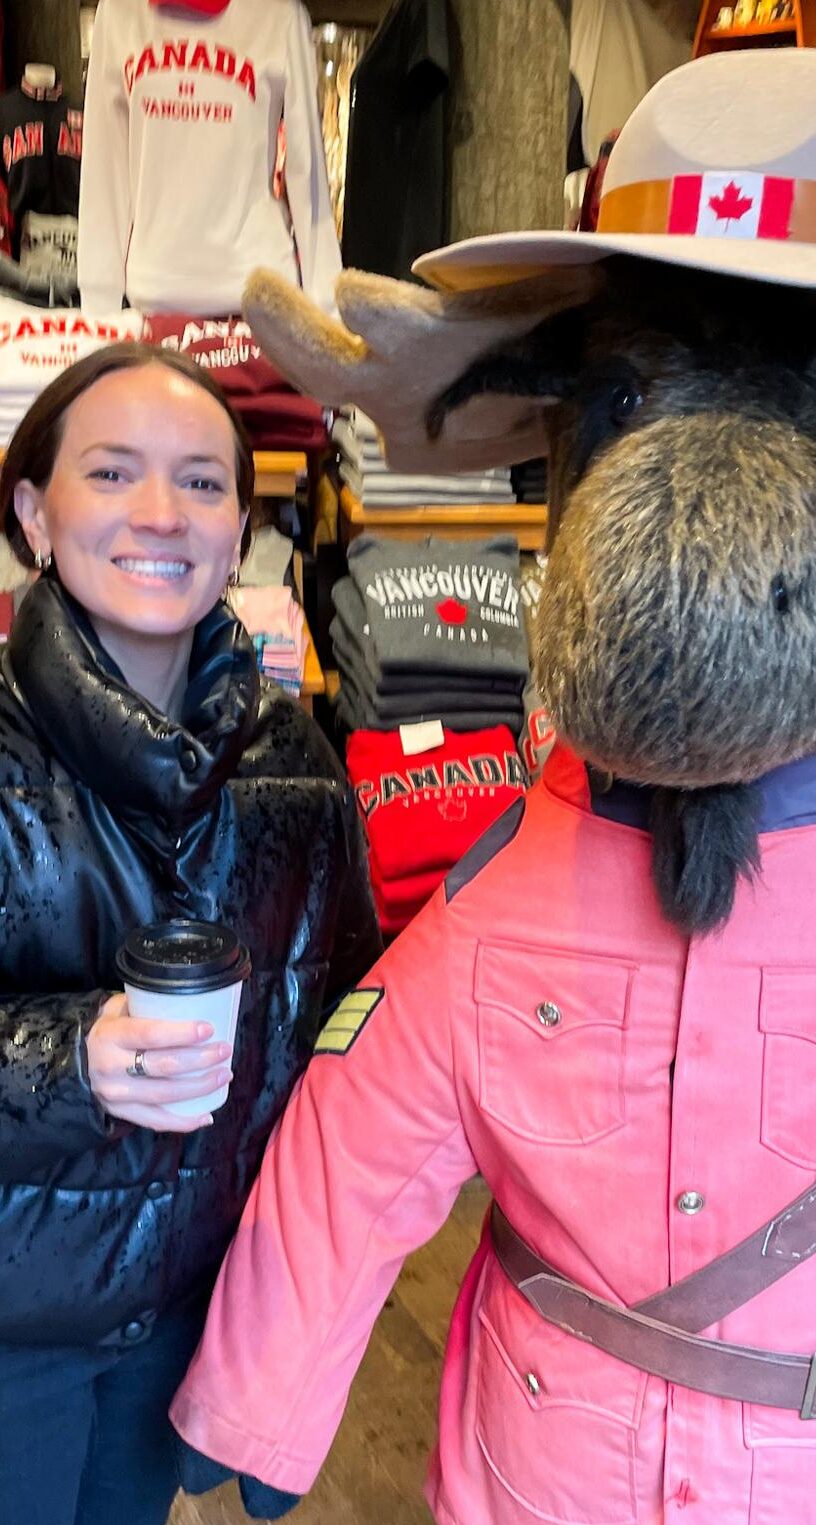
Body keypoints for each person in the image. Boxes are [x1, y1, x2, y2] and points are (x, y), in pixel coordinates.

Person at [0, 342, 379, 1525]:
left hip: (183, 1319)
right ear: (32, 511)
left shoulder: (294, 765)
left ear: (242, 527)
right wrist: (69, 1062)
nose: (160, 513)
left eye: (203, 483)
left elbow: (350, 1023)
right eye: (111, 473)